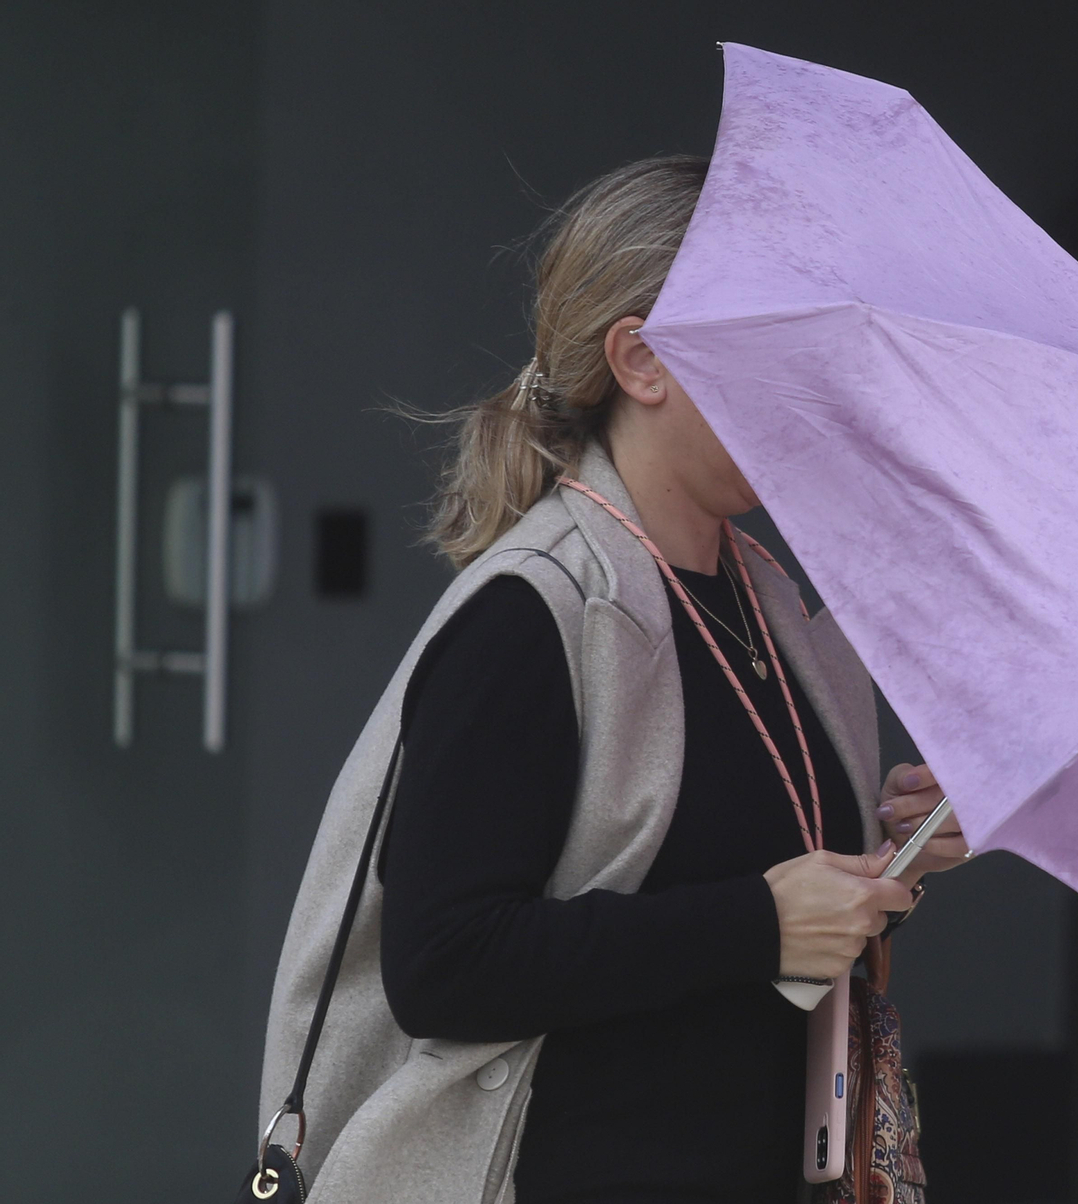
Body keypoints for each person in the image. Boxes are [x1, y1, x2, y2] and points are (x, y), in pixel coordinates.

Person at [257, 154, 971, 1204]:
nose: (807, 391)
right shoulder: (532, 610)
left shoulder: (764, 599)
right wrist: (759, 921)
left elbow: (734, 898)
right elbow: (443, 963)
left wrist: (888, 861)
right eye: (771, 351)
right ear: (641, 360)